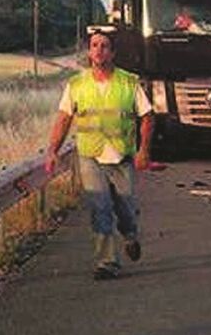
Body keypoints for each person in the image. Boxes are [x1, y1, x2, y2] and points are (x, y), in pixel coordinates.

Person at [45, 31, 154, 280]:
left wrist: (143, 151)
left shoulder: (129, 82)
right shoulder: (76, 84)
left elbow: (147, 116)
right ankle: (106, 262)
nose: (99, 50)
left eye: (104, 46)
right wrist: (52, 150)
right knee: (100, 207)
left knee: (126, 208)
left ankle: (130, 235)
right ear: (88, 52)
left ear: (112, 53)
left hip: (122, 156)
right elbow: (63, 119)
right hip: (90, 155)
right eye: (94, 45)